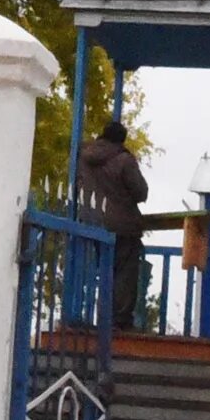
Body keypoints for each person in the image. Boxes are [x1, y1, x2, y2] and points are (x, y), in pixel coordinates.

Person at [76, 116, 150, 328]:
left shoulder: (84, 156)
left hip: (91, 223)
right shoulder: (124, 160)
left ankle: (97, 317)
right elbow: (141, 192)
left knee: (104, 269)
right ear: (122, 140)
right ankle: (118, 321)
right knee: (125, 273)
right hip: (122, 226)